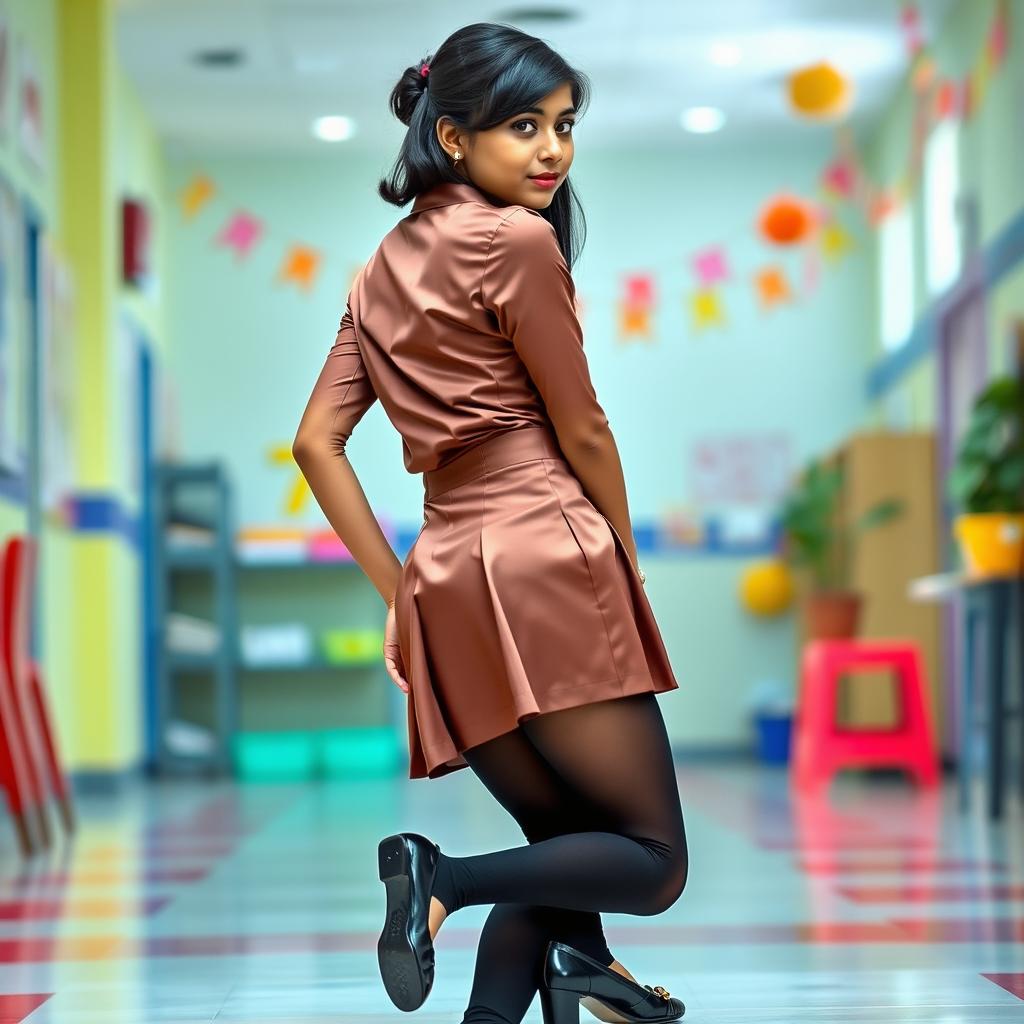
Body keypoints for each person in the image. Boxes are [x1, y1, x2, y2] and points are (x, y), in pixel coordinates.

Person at [292, 21, 688, 1024]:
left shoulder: (374, 272)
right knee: (650, 859)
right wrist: (624, 563)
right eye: (523, 125)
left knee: (558, 850)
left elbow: (314, 443)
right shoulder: (515, 241)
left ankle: (577, 974)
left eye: (562, 124)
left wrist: (403, 598)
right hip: (545, 547)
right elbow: (583, 428)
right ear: (454, 136)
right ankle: (442, 878)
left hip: (447, 569)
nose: (552, 148)